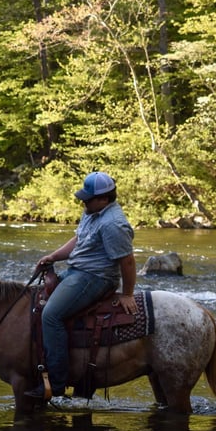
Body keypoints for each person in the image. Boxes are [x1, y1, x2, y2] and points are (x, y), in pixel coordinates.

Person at [25, 171, 138, 400]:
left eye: (87, 198)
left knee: (51, 315)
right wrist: (54, 257)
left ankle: (55, 384)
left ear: (104, 199)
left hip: (95, 277)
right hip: (77, 271)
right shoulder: (92, 211)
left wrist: (127, 294)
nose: (82, 201)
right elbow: (78, 239)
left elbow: (127, 260)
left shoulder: (113, 224)